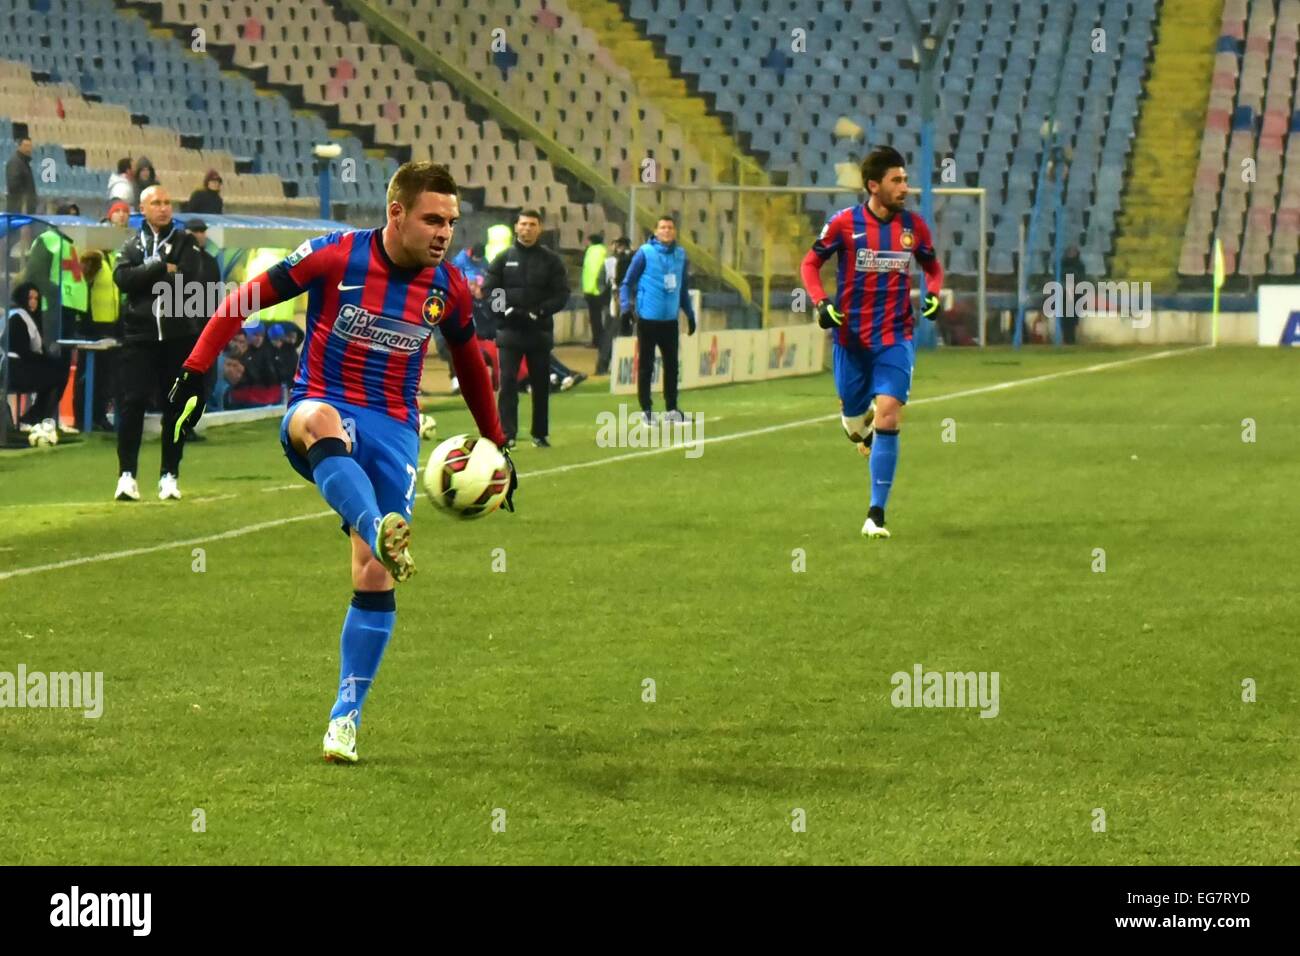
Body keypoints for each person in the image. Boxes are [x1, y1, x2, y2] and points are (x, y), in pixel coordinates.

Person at [165, 160, 515, 764]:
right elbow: (243, 298)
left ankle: (345, 718)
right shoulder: (334, 256)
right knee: (314, 422)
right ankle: (379, 528)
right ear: (396, 213)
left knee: (373, 574)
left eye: (452, 222)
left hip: (395, 429)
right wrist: (197, 367)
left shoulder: (449, 288)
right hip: (325, 403)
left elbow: (468, 364)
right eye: (433, 219)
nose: (444, 233)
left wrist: (497, 442)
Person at [799, 145, 945, 540]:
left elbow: (932, 268)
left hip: (896, 335)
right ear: (873, 185)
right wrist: (821, 303)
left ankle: (876, 514)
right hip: (850, 338)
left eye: (905, 179)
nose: (905, 187)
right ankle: (854, 428)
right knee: (853, 414)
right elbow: (810, 264)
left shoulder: (913, 227)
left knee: (888, 413)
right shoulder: (844, 223)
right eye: (897, 181)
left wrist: (933, 293)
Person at [111, 184, 205, 501]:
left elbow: (192, 280)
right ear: (143, 208)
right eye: (156, 202)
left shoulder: (185, 241)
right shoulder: (132, 244)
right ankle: (127, 476)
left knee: (175, 408)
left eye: (167, 202)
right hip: (139, 337)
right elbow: (123, 279)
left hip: (178, 337)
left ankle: (169, 475)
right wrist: (159, 267)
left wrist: (146, 276)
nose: (164, 208)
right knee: (132, 404)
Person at [483, 208, 569, 448]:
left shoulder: (550, 260)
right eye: (523, 224)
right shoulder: (502, 258)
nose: (527, 228)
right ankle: (507, 434)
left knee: (541, 384)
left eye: (532, 224)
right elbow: (490, 289)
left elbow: (561, 294)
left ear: (539, 228)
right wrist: (505, 310)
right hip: (509, 332)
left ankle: (539, 433)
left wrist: (540, 311)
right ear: (516, 227)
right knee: (508, 383)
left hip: (538, 331)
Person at [619, 215, 697, 423]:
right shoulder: (645, 253)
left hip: (670, 320)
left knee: (672, 365)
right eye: (662, 227)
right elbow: (626, 283)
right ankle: (646, 410)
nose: (666, 231)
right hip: (648, 319)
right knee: (646, 365)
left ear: (675, 231)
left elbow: (682, 288)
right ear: (655, 231)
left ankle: (672, 408)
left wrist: (689, 314)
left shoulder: (681, 255)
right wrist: (626, 308)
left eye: (670, 227)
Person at [4, 282, 66, 427]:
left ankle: (33, 418)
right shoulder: (17, 318)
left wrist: (49, 360)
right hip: (12, 369)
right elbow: (23, 351)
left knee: (57, 374)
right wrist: (48, 361)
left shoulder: (26, 318)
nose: (33, 302)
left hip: (20, 367)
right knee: (57, 377)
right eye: (30, 298)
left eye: (36, 299)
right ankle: (32, 419)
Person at [597, 236, 632, 375]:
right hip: (616, 302)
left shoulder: (610, 261)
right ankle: (604, 365)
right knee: (614, 333)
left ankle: (610, 365)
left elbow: (600, 282)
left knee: (616, 333)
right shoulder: (612, 262)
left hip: (620, 301)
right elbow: (601, 282)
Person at [581, 232, 607, 349]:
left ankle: (597, 341)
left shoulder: (591, 252)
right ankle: (599, 340)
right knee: (598, 317)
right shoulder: (603, 251)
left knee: (595, 318)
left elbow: (590, 272)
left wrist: (589, 289)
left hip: (593, 290)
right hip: (599, 290)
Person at [5, 137, 37, 214]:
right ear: (19, 146)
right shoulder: (15, 162)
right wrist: (26, 197)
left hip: (24, 206)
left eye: (30, 146)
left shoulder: (24, 162)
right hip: (19, 206)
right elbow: (13, 184)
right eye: (25, 145)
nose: (28, 148)